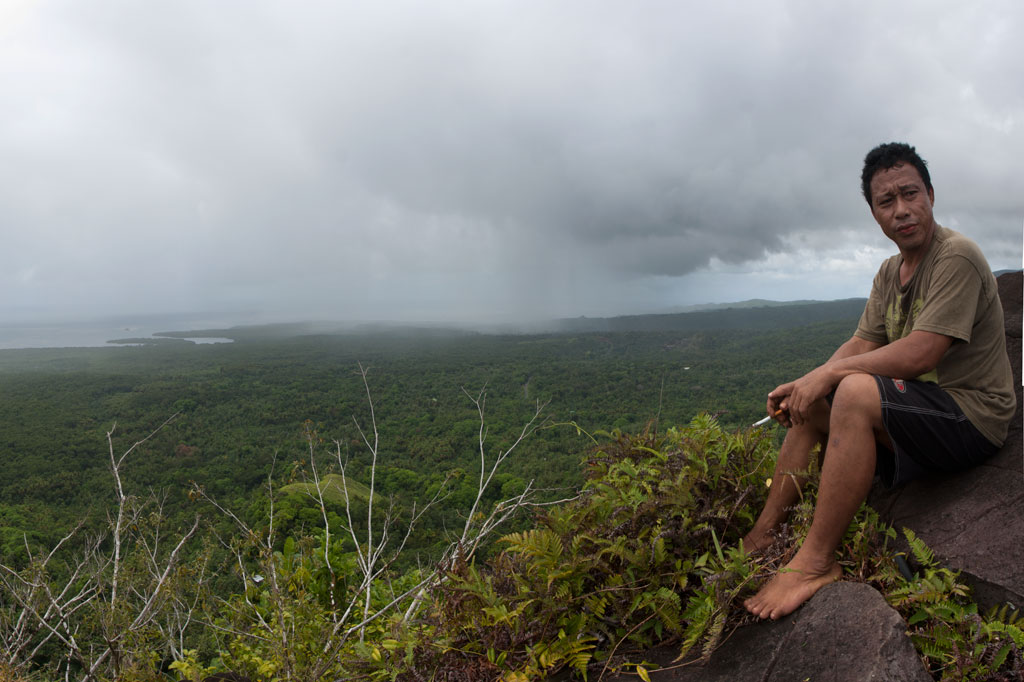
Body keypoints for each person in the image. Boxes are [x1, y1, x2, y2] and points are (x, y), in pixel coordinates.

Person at [741, 142, 1016, 621]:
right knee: (814, 405)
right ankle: (763, 534)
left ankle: (814, 563)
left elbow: (922, 351)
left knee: (852, 391)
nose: (902, 210)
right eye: (886, 201)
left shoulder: (958, 257)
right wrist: (807, 383)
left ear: (930, 194)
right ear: (873, 213)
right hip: (924, 411)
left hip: (971, 416)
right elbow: (862, 343)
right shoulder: (890, 272)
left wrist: (830, 376)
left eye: (910, 193)